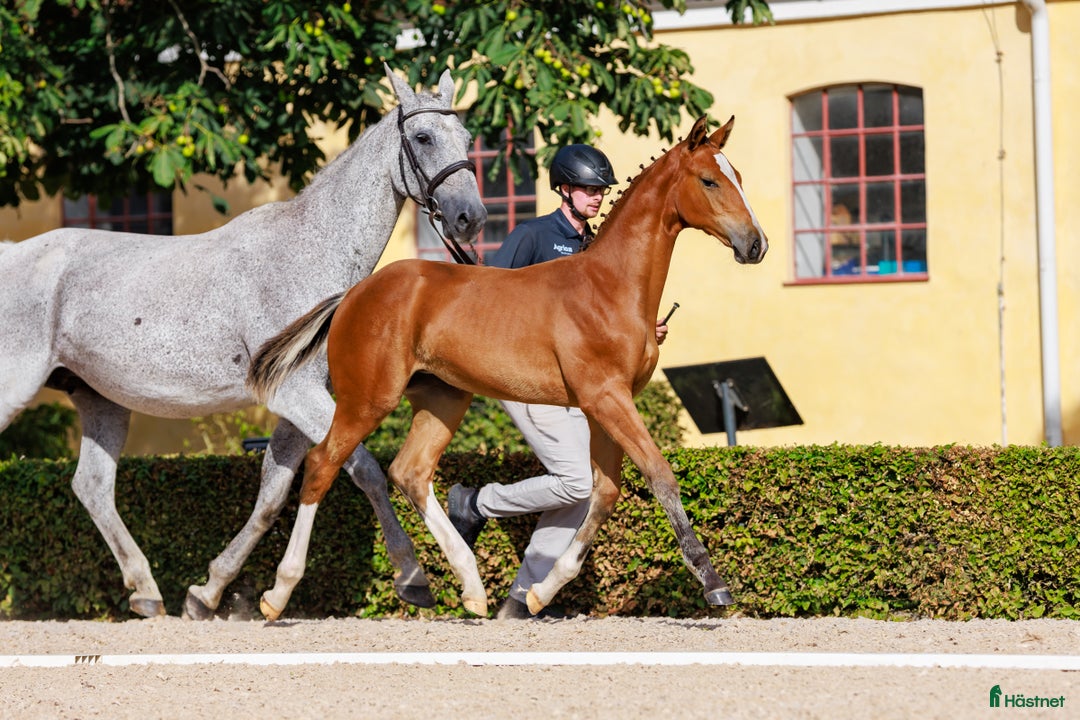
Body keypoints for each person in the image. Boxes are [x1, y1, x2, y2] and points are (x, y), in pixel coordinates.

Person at [447, 144, 670, 620]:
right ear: (564, 190)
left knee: (585, 489)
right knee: (575, 482)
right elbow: (485, 300)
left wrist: (642, 334)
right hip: (529, 378)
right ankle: (478, 502)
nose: (598, 197)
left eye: (601, 190)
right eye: (589, 189)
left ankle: (521, 600)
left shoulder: (597, 247)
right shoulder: (532, 235)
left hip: (582, 389)